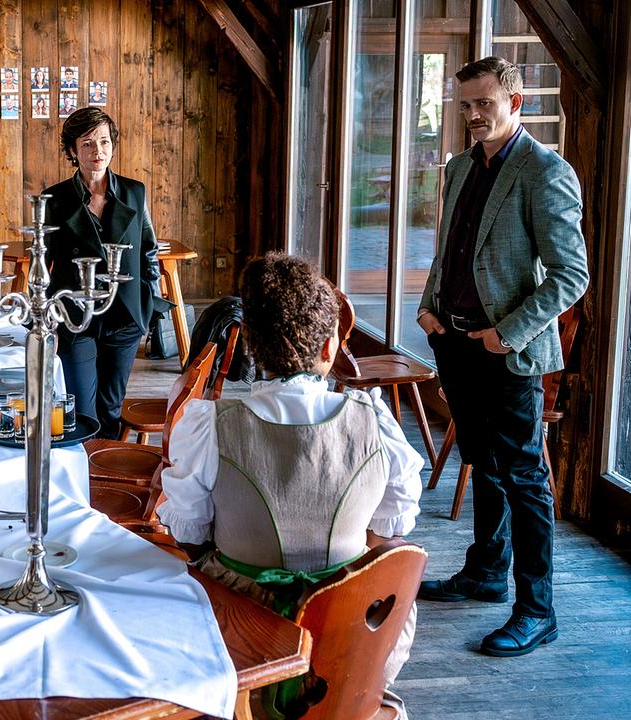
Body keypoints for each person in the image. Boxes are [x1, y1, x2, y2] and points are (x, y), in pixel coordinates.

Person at [158, 252, 423, 719]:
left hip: (243, 629)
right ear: (327, 349)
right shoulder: (374, 420)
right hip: (348, 628)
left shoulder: (212, 425)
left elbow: (189, 531)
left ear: (254, 347)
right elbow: (392, 526)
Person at [415, 57, 588, 657]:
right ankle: (486, 572)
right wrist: (428, 306)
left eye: (484, 103)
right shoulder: (459, 166)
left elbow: (572, 276)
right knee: (481, 461)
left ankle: (538, 610)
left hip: (507, 353)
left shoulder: (546, 172)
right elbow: (451, 247)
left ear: (517, 102)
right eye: (464, 105)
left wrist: (506, 334)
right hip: (455, 341)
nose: (472, 115)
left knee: (524, 480)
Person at [43, 107, 160, 438]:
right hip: (76, 317)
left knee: (111, 406)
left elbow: (149, 250)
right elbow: (44, 263)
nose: (98, 152)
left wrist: (147, 304)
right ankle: (84, 475)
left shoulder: (135, 192)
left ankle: (103, 477)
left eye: (105, 142)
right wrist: (47, 320)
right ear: (72, 150)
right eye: (88, 144)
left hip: (123, 315)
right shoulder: (55, 198)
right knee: (80, 408)